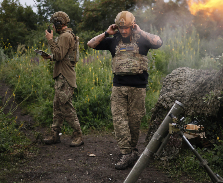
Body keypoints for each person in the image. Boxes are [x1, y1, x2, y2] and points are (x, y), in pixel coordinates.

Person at [87, 11, 163, 170]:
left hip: (138, 87)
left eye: (127, 28)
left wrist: (140, 31)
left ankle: (132, 151)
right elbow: (91, 44)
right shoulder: (112, 40)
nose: (123, 31)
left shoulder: (142, 39)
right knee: (119, 119)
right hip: (119, 86)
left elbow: (158, 42)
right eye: (121, 28)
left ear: (132, 25)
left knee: (134, 121)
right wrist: (107, 33)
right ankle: (126, 152)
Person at [42, 11, 84, 147]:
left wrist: (49, 39)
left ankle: (78, 135)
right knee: (57, 107)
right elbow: (63, 55)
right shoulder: (66, 35)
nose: (53, 27)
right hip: (62, 76)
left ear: (58, 24)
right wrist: (50, 57)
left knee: (66, 106)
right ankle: (55, 134)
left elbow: (59, 55)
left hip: (65, 77)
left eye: (54, 24)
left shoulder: (65, 36)